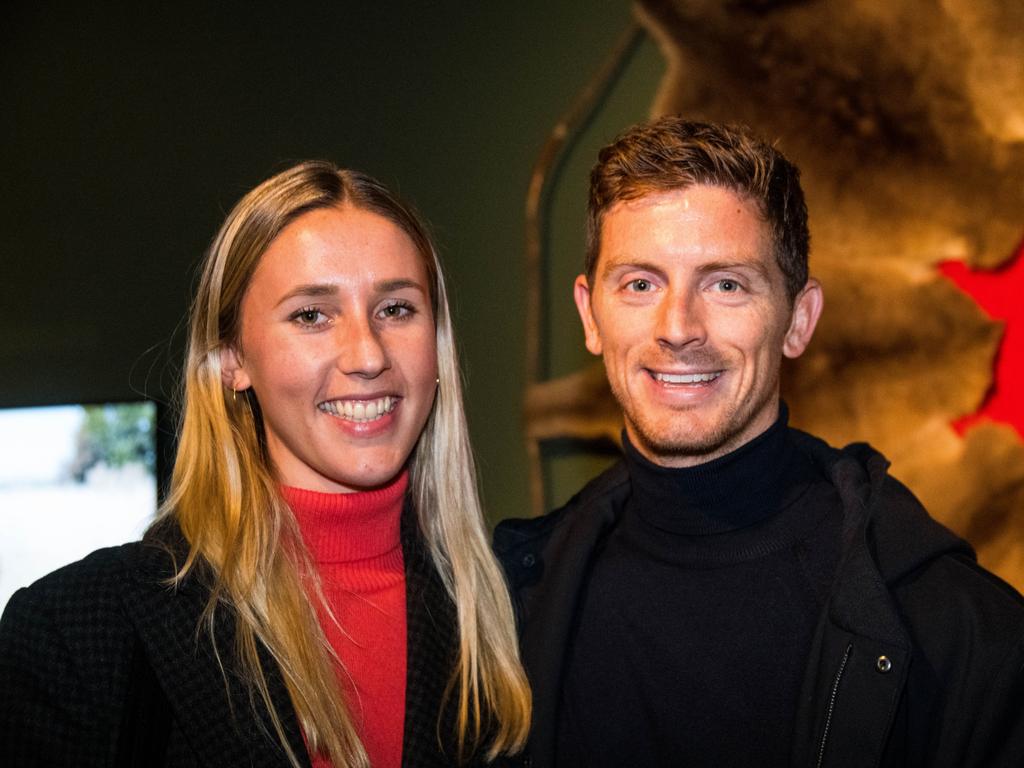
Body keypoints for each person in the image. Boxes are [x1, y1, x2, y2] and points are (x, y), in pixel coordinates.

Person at [494, 118, 1024, 767]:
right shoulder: (507, 613)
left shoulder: (958, 632)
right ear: (590, 315)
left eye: (726, 284)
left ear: (798, 320)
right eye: (640, 283)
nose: (679, 327)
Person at [0, 161, 531, 767]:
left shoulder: (514, 613)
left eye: (396, 309)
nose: (367, 354)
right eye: (312, 315)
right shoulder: (76, 634)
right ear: (232, 357)